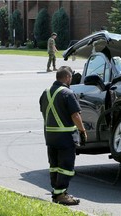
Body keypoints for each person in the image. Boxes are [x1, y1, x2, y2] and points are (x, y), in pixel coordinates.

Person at [39, 66, 87, 205]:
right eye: (70, 77)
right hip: (65, 138)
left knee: (54, 166)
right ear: (67, 78)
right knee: (66, 167)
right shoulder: (68, 93)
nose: (71, 80)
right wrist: (82, 131)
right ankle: (61, 195)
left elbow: (44, 112)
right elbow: (75, 115)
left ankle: (57, 193)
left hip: (50, 137)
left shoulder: (45, 92)